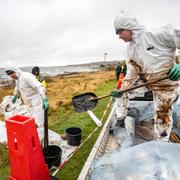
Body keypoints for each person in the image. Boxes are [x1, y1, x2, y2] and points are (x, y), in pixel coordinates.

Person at [112, 11, 180, 141]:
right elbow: (132, 73)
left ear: (129, 27)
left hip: (166, 82)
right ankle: (120, 120)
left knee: (162, 116)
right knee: (122, 93)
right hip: (147, 81)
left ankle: (161, 143)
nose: (119, 36)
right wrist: (122, 89)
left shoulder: (157, 34)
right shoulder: (129, 49)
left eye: (120, 32)